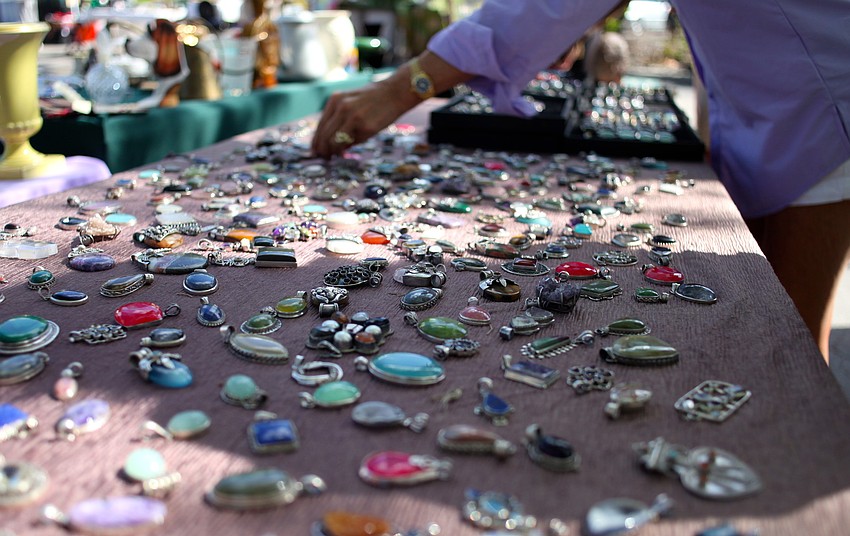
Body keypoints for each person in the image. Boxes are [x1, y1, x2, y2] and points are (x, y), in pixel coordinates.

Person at [311, 0, 850, 364]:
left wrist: (409, 85)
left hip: (819, 106)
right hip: (781, 105)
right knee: (775, 326)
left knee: (792, 342)